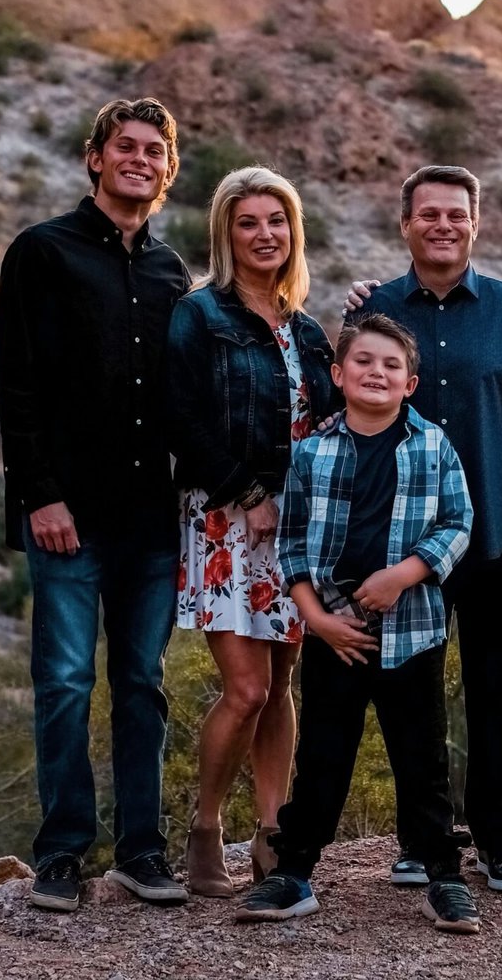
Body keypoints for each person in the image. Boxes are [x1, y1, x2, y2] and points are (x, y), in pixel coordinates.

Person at [350, 165, 502, 894]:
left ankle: (500, 840)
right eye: (429, 215)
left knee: (499, 695)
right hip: (402, 551)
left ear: (475, 223)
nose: (443, 226)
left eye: (456, 214)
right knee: (411, 699)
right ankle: (424, 842)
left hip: (498, 543)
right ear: (406, 225)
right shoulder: (378, 311)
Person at [0, 97, 192, 910]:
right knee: (67, 683)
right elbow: (18, 384)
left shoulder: (172, 270)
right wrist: (43, 495)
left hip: (153, 519)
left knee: (142, 683)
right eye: (126, 146)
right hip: (68, 517)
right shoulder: (41, 252)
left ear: (167, 170)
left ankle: (141, 852)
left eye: (155, 151)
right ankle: (62, 855)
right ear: (96, 158)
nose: (139, 159)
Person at [235, 315, 480, 934]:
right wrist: (315, 617)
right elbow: (291, 541)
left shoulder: (433, 445)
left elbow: (458, 523)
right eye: (364, 363)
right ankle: (295, 874)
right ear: (338, 375)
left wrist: (404, 574)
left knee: (420, 758)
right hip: (334, 634)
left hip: (411, 631)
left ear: (412, 382)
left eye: (391, 366)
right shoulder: (314, 450)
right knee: (323, 752)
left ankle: (442, 877)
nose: (377, 373)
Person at [166, 167, 337, 897]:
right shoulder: (199, 315)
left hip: (294, 526)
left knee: (283, 682)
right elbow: (182, 419)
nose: (265, 234)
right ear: (226, 234)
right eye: (248, 222)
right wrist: (248, 491)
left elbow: (327, 420)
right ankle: (205, 831)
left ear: (292, 232)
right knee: (246, 689)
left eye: (277, 221)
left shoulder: (306, 328)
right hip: (227, 521)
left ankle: (274, 835)